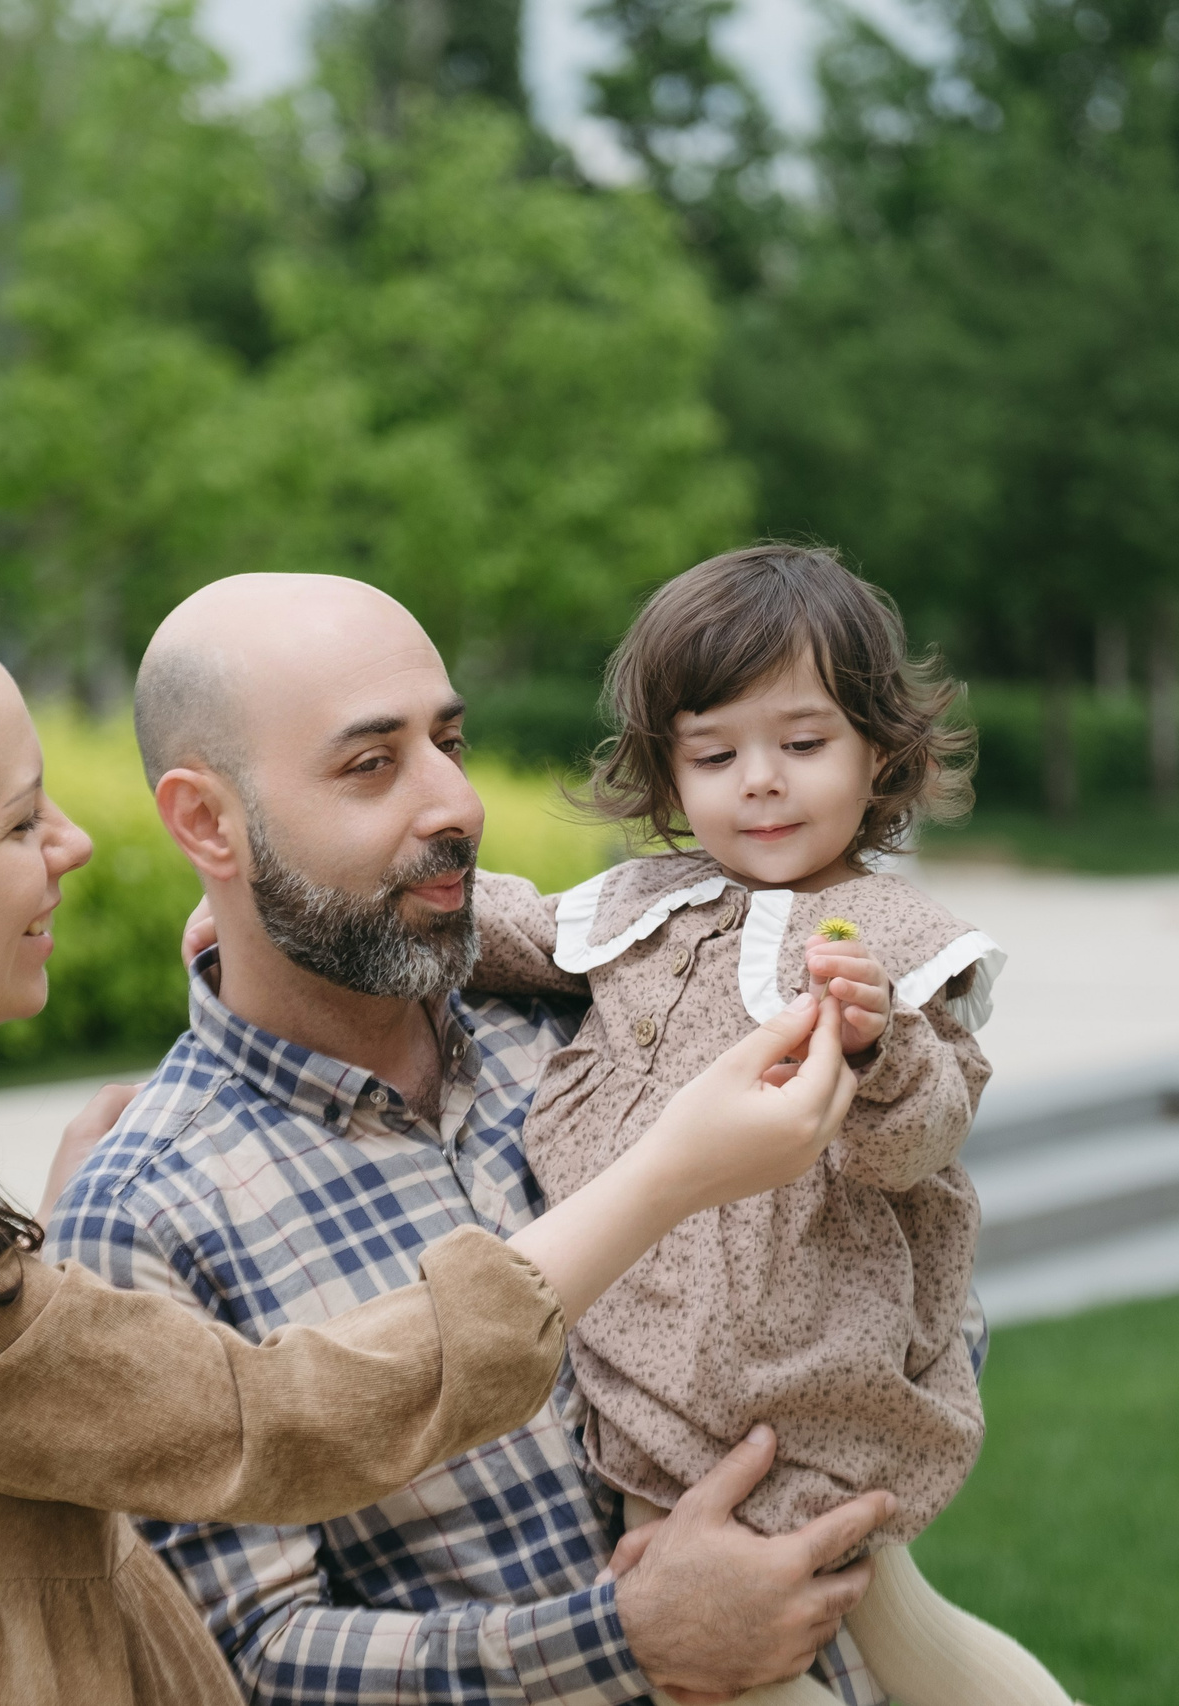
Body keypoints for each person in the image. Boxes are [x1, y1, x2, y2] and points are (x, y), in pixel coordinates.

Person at [0, 585, 863, 1706]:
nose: (74, 844)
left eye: (450, 737)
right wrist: (671, 1175)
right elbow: (277, 1424)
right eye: (17, 817)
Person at [50, 574, 903, 1706]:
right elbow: (236, 1657)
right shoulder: (144, 1212)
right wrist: (625, 1636)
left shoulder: (595, 1024)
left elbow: (892, 1294)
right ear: (208, 821)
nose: (452, 799)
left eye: (448, 739)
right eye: (371, 763)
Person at [465, 545, 1075, 1706]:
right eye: (714, 752)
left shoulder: (886, 930)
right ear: (666, 769)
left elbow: (924, 1136)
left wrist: (878, 1041)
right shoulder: (645, 899)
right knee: (867, 1613)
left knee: (741, 1645)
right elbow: (521, 928)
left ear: (877, 751)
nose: (760, 781)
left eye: (802, 744)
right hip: (655, 1337)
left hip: (805, 1349)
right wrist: (379, 909)